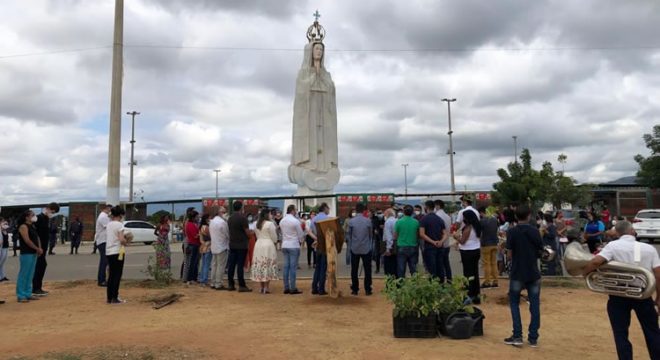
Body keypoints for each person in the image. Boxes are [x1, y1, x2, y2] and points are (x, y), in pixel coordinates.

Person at [582, 220, 660, 359]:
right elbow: (658, 275)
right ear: (633, 231)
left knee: (620, 334)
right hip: (643, 295)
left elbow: (595, 262)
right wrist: (659, 297)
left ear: (617, 233)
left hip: (618, 297)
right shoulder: (649, 248)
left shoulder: (613, 246)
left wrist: (585, 273)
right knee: (652, 332)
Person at [504, 205, 544, 347]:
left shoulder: (512, 232)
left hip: (517, 272)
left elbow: (509, 254)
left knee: (514, 303)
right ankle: (533, 338)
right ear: (529, 216)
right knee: (534, 304)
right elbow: (541, 249)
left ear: (516, 217)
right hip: (533, 272)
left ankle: (517, 336)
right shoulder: (535, 231)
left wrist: (511, 258)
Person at [33, 202, 59, 297]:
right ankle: (35, 288)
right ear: (48, 208)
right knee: (40, 266)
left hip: (43, 247)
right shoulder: (39, 218)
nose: (52, 213)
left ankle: (38, 287)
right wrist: (37, 246)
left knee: (42, 266)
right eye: (52, 211)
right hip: (39, 247)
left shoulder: (46, 219)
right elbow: (35, 234)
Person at [15, 210, 42, 303]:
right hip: (26, 253)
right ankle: (20, 295)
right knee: (24, 274)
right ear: (27, 217)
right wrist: (36, 248)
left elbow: (37, 237)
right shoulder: (23, 226)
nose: (34, 216)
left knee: (30, 274)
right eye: (32, 215)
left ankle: (28, 293)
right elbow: (27, 240)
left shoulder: (32, 226)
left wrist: (39, 248)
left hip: (33, 252)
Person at [251, 208, 279, 294]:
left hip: (258, 244)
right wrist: (275, 242)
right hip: (268, 244)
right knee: (267, 264)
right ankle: (266, 287)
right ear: (267, 215)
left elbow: (254, 234)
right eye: (270, 214)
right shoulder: (270, 224)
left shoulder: (255, 224)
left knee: (260, 264)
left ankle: (261, 287)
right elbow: (274, 237)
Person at [348, 203, 373, 296]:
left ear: (356, 209)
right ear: (364, 210)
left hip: (354, 248)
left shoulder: (351, 221)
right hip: (366, 248)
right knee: (367, 269)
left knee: (354, 269)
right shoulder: (368, 221)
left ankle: (355, 289)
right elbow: (371, 235)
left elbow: (349, 235)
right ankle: (368, 289)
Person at [227, 201, 252, 292]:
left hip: (232, 244)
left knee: (231, 265)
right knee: (240, 265)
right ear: (241, 207)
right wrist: (252, 233)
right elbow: (247, 232)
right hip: (241, 245)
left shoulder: (230, 218)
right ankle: (241, 285)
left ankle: (230, 284)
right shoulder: (243, 218)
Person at [106, 206, 129, 304]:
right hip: (118, 251)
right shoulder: (120, 225)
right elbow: (121, 239)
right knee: (117, 275)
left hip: (109, 251)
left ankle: (109, 297)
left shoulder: (109, 224)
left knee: (111, 275)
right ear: (120, 215)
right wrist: (126, 241)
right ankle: (115, 297)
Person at [458, 210, 482, 303]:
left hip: (467, 251)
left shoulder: (468, 228)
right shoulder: (477, 227)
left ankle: (469, 295)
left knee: (468, 274)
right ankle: (476, 295)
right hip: (476, 250)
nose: (463, 219)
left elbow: (462, 241)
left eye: (464, 217)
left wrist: (456, 238)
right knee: (474, 273)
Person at [420, 200, 447, 280]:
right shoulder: (439, 219)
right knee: (440, 267)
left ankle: (433, 286)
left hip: (429, 247)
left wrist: (433, 242)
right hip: (440, 247)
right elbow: (445, 233)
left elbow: (422, 234)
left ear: (426, 207)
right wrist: (441, 241)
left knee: (432, 269)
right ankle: (441, 285)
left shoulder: (424, 219)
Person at [280, 205, 305, 294]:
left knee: (286, 266)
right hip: (293, 244)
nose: (296, 211)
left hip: (285, 244)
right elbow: (300, 234)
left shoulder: (282, 221)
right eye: (295, 210)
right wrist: (301, 241)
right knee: (293, 267)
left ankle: (286, 287)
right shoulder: (295, 221)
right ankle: (293, 287)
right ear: (293, 211)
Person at [310, 202, 330, 295]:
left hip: (318, 244)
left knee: (318, 267)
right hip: (325, 244)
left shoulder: (314, 218)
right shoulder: (327, 219)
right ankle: (321, 288)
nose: (328, 210)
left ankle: (314, 287)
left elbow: (310, 231)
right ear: (325, 208)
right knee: (323, 267)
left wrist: (316, 238)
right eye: (328, 208)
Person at [395, 205, 420, 278]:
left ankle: (401, 286)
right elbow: (418, 235)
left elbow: (395, 236)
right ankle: (415, 285)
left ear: (403, 212)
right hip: (413, 247)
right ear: (412, 212)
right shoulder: (416, 222)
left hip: (401, 247)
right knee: (413, 268)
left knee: (401, 269)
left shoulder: (399, 222)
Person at [478, 206, 500, 288]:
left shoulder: (482, 221)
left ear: (481, 213)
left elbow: (479, 232)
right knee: (494, 263)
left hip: (486, 244)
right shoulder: (494, 220)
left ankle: (487, 282)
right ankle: (495, 281)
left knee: (486, 264)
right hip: (495, 243)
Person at [209, 206, 230, 290]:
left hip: (214, 246)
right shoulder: (222, 222)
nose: (225, 214)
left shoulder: (212, 221)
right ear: (219, 213)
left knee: (214, 265)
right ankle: (218, 283)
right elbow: (227, 234)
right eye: (224, 212)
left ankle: (213, 282)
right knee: (220, 266)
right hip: (222, 246)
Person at [434, 200, 453, 283]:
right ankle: (449, 280)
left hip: (440, 243)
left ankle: (441, 281)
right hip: (447, 243)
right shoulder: (448, 216)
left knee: (439, 264)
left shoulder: (437, 216)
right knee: (446, 263)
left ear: (437, 206)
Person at [95, 204, 112, 287]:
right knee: (104, 261)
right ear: (105, 208)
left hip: (104, 240)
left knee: (105, 261)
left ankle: (102, 279)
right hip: (102, 241)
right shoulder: (103, 217)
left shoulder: (105, 216)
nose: (110, 210)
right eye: (109, 208)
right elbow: (109, 227)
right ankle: (101, 280)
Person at [184, 210, 201, 285]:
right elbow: (195, 236)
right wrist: (201, 234)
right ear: (193, 217)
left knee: (195, 262)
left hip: (195, 244)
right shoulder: (190, 225)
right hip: (193, 244)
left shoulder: (193, 224)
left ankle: (194, 278)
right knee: (192, 263)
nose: (198, 218)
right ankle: (190, 278)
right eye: (197, 216)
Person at [197, 214, 212, 286]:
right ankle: (204, 280)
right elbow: (211, 237)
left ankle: (201, 278)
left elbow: (201, 239)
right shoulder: (207, 227)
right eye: (209, 218)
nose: (210, 219)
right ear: (206, 219)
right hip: (208, 246)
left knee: (203, 264)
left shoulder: (200, 227)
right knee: (207, 264)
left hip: (202, 246)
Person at [382, 208, 398, 277]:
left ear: (388, 214)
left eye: (385, 214)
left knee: (388, 268)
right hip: (397, 244)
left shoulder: (388, 222)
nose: (384, 216)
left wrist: (388, 249)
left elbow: (388, 236)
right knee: (396, 266)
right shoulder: (397, 220)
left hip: (390, 246)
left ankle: (390, 285)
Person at [0, 217, 9, 282]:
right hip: (1, 247)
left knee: (2, 263)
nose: (4, 222)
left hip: (5, 246)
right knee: (0, 262)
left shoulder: (4, 230)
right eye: (2, 221)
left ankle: (2, 276)